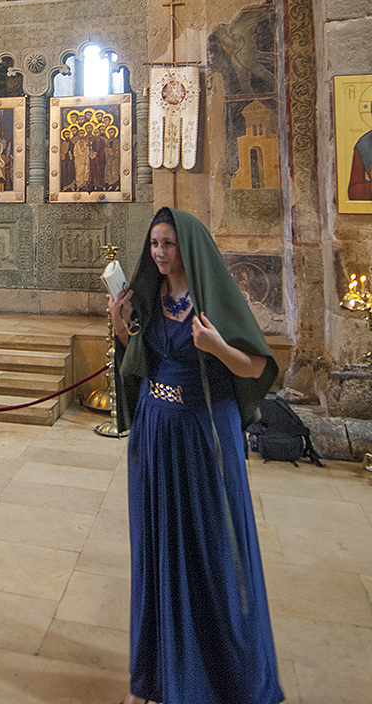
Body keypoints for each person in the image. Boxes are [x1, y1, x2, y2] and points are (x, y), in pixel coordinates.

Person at [108, 206, 283, 704]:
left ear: (188, 247)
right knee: (156, 550)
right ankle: (153, 680)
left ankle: (223, 680)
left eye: (168, 244)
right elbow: (140, 364)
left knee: (210, 552)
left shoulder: (212, 298)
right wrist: (123, 331)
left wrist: (215, 345)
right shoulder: (150, 297)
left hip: (203, 440)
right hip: (155, 438)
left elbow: (256, 368)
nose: (159, 254)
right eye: (155, 244)